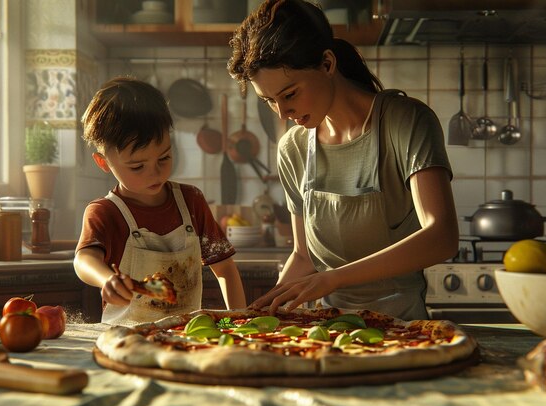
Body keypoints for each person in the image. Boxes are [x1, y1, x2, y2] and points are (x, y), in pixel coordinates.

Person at [227, 0, 458, 320]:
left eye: (290, 94)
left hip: (404, 326)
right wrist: (266, 311)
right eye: (269, 101)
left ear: (326, 64)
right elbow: (304, 256)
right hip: (328, 331)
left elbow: (442, 237)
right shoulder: (292, 149)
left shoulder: (404, 122)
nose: (283, 113)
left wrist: (333, 278)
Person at [74, 76, 246, 325]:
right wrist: (106, 279)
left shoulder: (190, 202)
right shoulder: (105, 212)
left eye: (164, 158)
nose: (155, 173)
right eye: (137, 166)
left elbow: (226, 270)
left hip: (185, 338)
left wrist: (239, 321)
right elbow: (84, 260)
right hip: (126, 342)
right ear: (103, 162)